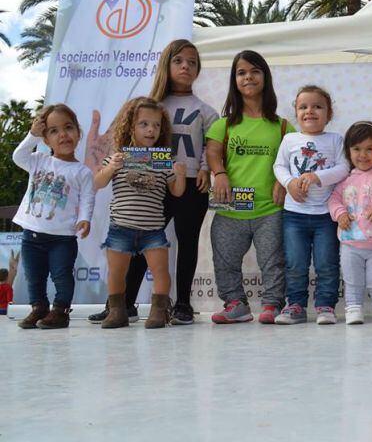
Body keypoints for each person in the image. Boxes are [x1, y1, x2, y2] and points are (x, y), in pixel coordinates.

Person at [87, 39, 218, 325]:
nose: (186, 66)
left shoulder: (206, 110)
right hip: (151, 183)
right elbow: (123, 138)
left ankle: (182, 303)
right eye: (179, 61)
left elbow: (213, 145)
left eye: (192, 62)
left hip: (190, 182)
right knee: (138, 237)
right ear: (166, 65)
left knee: (187, 241)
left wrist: (207, 168)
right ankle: (123, 304)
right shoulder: (150, 106)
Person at [206, 50, 291, 324]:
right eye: (241, 73)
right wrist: (219, 173)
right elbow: (213, 153)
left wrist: (283, 182)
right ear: (234, 81)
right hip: (231, 210)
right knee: (225, 261)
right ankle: (235, 304)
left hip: (270, 209)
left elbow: (295, 160)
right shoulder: (223, 125)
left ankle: (272, 305)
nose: (248, 77)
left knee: (273, 261)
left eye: (254, 71)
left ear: (265, 77)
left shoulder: (283, 127)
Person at [94, 97, 186, 329]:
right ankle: (117, 311)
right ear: (130, 127)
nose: (151, 130)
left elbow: (176, 191)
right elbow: (97, 183)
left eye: (156, 125)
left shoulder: (163, 161)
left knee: (160, 271)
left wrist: (181, 174)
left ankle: (159, 311)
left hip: (153, 229)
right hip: (120, 228)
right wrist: (110, 168)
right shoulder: (119, 157)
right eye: (144, 124)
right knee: (116, 272)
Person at [12, 104, 95, 329]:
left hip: (62, 238)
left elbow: (88, 198)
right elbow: (17, 156)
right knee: (34, 276)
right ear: (46, 139)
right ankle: (39, 308)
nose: (63, 135)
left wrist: (85, 218)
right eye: (54, 130)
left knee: (61, 275)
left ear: (78, 133)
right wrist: (32, 135)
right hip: (31, 235)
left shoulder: (82, 172)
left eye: (68, 128)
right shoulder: (38, 160)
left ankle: (60, 311)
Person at [273, 85, 348, 325]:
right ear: (296, 112)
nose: (310, 111)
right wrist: (290, 183)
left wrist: (318, 177)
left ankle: (325, 305)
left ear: (329, 114)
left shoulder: (336, 139)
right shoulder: (289, 139)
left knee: (327, 263)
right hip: (294, 216)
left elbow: (344, 168)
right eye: (303, 107)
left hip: (326, 215)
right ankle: (295, 305)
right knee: (296, 263)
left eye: (317, 106)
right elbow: (279, 167)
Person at [328, 121, 372, 324]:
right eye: (357, 149)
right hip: (350, 245)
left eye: (369, 149)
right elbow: (333, 200)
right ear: (348, 151)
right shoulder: (344, 180)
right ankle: (353, 308)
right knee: (352, 281)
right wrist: (340, 214)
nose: (362, 155)